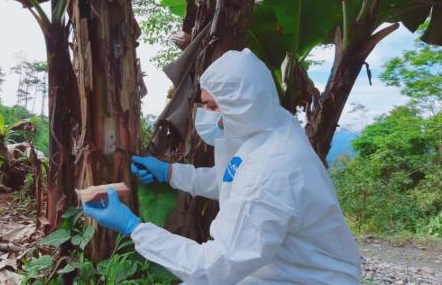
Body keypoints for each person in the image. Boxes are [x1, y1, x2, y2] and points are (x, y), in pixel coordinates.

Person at [83, 48, 361, 284]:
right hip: (285, 266)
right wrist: (170, 173)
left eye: (213, 106)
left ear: (243, 106)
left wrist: (133, 227)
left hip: (311, 278)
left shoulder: (272, 170)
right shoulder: (270, 127)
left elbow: (210, 269)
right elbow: (231, 181)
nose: (205, 115)